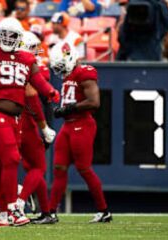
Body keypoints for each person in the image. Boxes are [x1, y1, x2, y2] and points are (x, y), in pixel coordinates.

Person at [0, 14, 59, 227]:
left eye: (12, 35)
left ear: (19, 37)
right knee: (12, 159)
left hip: (14, 118)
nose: (7, 38)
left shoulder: (26, 58)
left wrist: (50, 91)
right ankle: (11, 210)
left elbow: (36, 80)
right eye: (4, 34)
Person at [48, 42, 112, 223]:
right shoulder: (70, 75)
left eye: (61, 66)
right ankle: (51, 212)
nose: (59, 71)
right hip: (68, 126)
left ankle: (103, 210)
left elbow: (94, 102)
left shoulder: (85, 72)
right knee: (59, 168)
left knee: (84, 169)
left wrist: (69, 108)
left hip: (82, 125)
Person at [17, 31, 58, 225]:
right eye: (33, 48)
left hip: (16, 120)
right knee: (37, 167)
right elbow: (34, 96)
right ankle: (18, 202)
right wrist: (45, 127)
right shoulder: (28, 67)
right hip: (30, 121)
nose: (37, 52)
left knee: (31, 167)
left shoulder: (11, 64)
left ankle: (47, 211)